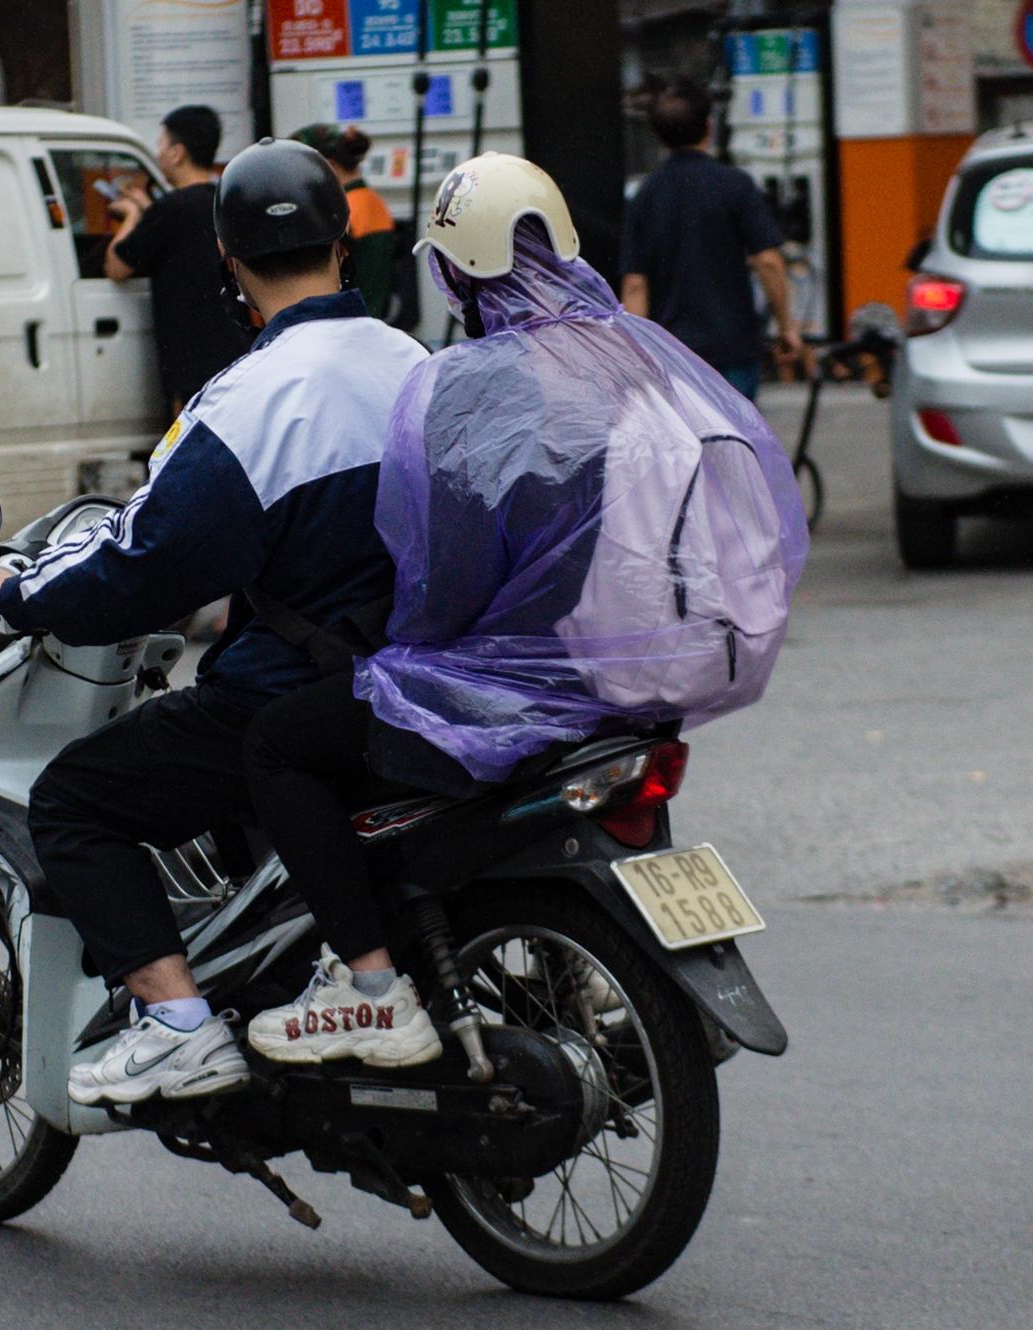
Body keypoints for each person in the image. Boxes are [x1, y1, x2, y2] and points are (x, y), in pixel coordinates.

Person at [240, 154, 807, 1063]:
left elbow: (440, 588)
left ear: (451, 268)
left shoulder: (467, 385)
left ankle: (369, 985)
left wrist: (401, 650)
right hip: (665, 671)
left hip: (540, 684)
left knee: (280, 742)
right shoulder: (640, 351)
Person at [0, 139, 435, 1105]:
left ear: (228, 264)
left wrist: (15, 592)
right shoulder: (414, 363)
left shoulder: (246, 402)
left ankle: (178, 1025)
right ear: (344, 241)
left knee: (73, 801)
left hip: (298, 693)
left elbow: (139, 568)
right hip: (421, 681)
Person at [618, 78, 802, 401]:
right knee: (739, 445)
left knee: (687, 449)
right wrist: (786, 327)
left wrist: (639, 355)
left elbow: (635, 285)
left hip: (672, 356)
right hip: (733, 350)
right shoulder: (735, 185)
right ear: (709, 127)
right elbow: (768, 262)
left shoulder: (644, 197)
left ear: (658, 135)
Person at [103, 104, 252, 411]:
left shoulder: (171, 208)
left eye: (161, 145)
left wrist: (131, 215)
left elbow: (116, 266)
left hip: (188, 364)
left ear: (177, 153)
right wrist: (149, 211)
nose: (158, 154)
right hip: (234, 352)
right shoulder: (227, 199)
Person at [293, 123, 398, 320]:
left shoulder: (340, 212)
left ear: (326, 164)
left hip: (347, 323)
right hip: (371, 323)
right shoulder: (371, 201)